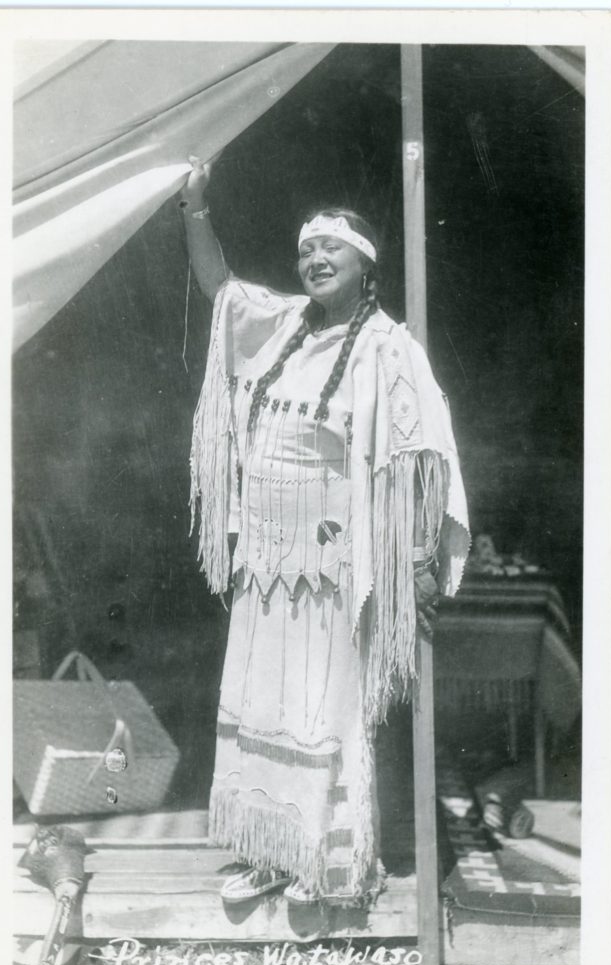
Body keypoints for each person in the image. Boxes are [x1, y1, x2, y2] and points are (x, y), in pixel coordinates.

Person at [180, 156, 469, 906]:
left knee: (320, 709)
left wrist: (416, 556)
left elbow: (420, 456)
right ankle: (268, 849)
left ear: (364, 263)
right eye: (306, 249)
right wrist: (195, 210)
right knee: (262, 702)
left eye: (329, 249)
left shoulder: (387, 348)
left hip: (334, 566)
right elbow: (221, 290)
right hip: (265, 561)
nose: (313, 259)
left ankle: (327, 862)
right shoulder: (279, 326)